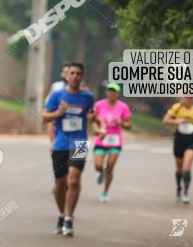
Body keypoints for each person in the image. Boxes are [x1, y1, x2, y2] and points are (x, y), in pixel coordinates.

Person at [42, 63, 96, 236]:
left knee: (73, 180)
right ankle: (62, 213)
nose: (74, 76)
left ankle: (69, 218)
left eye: (78, 73)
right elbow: (44, 117)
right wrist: (59, 112)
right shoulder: (57, 95)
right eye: (72, 73)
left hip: (79, 143)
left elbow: (91, 116)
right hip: (60, 144)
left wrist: (92, 120)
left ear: (82, 76)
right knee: (60, 185)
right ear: (67, 76)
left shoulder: (88, 97)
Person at [92, 83, 131, 202]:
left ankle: (105, 192)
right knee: (98, 166)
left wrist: (121, 123)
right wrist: (97, 129)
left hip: (115, 141)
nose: (111, 93)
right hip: (101, 139)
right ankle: (101, 173)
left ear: (118, 93)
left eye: (114, 91)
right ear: (106, 92)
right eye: (109, 90)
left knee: (110, 167)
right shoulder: (99, 105)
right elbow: (93, 120)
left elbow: (128, 125)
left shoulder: (123, 107)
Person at [163, 96, 193, 203]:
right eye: (186, 97)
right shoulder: (177, 108)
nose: (188, 100)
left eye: (191, 98)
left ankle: (186, 193)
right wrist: (178, 121)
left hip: (191, 140)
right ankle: (178, 189)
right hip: (179, 139)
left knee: (187, 167)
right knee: (179, 168)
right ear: (183, 98)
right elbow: (166, 120)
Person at [45, 64, 70, 150]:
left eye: (76, 73)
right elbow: (46, 114)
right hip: (60, 139)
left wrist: (101, 127)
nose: (67, 75)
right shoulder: (56, 89)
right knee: (61, 161)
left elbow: (92, 116)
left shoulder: (85, 94)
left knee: (79, 161)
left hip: (80, 138)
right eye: (65, 72)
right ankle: (53, 145)